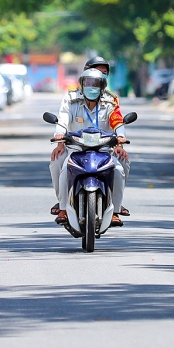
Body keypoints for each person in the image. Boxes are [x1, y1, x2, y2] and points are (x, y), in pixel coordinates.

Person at [49, 67, 130, 228]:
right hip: (76, 148)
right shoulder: (72, 100)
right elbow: (63, 119)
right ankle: (63, 207)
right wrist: (59, 137)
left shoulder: (110, 102)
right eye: (88, 83)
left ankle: (115, 210)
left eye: (96, 83)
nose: (91, 87)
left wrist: (120, 138)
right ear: (81, 84)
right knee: (64, 167)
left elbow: (117, 122)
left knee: (119, 169)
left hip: (103, 149)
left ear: (103, 85)